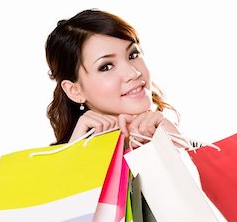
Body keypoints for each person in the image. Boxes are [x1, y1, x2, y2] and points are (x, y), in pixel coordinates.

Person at [45, 9, 180, 146]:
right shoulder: (48, 165)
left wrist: (181, 149)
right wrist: (75, 156)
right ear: (75, 91)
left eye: (133, 55)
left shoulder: (174, 139)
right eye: (106, 67)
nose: (133, 73)